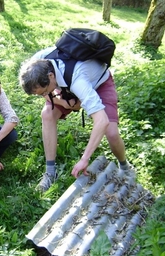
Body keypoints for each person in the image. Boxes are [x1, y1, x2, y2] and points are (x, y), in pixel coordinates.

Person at [19, 47, 132, 192]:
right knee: (47, 114)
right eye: (40, 94)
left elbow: (101, 121)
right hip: (67, 86)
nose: (45, 95)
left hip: (98, 84)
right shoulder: (37, 62)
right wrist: (63, 102)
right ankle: (50, 172)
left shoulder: (78, 80)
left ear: (51, 76)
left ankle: (125, 167)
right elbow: (47, 93)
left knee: (111, 132)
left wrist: (85, 158)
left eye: (45, 92)